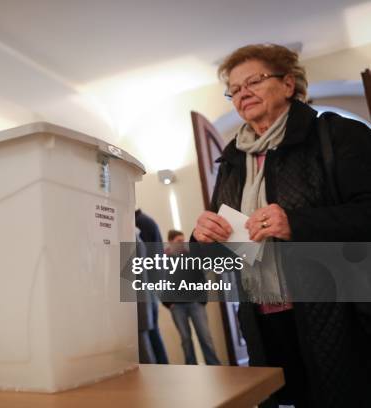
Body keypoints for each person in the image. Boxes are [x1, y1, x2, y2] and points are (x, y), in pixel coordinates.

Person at [192, 43, 371, 407]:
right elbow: (219, 256)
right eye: (235, 89)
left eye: (253, 81)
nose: (243, 93)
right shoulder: (230, 162)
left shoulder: (337, 135)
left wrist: (296, 223)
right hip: (264, 318)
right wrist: (205, 239)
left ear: (288, 84)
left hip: (340, 314)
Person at [163, 230, 220, 365]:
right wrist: (168, 303)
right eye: (179, 241)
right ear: (170, 242)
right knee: (186, 340)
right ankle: (191, 370)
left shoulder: (190, 257)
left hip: (195, 304)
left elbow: (201, 278)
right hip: (177, 306)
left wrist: (202, 300)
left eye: (183, 241)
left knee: (205, 338)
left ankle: (216, 368)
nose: (183, 244)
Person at [135, 209, 169, 364]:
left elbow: (153, 261)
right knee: (152, 333)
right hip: (149, 289)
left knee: (150, 334)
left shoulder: (141, 224)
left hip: (146, 289)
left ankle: (160, 372)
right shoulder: (146, 222)